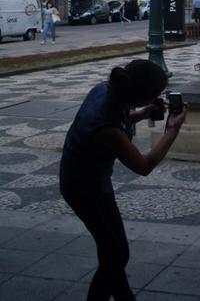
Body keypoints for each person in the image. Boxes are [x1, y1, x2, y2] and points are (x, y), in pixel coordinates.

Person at [60, 59, 188, 301]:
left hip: (89, 181)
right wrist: (173, 129)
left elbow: (119, 115)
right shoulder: (106, 129)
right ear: (141, 94)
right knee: (115, 253)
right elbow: (144, 165)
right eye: (153, 96)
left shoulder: (105, 89)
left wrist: (143, 113)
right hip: (84, 188)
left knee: (114, 251)